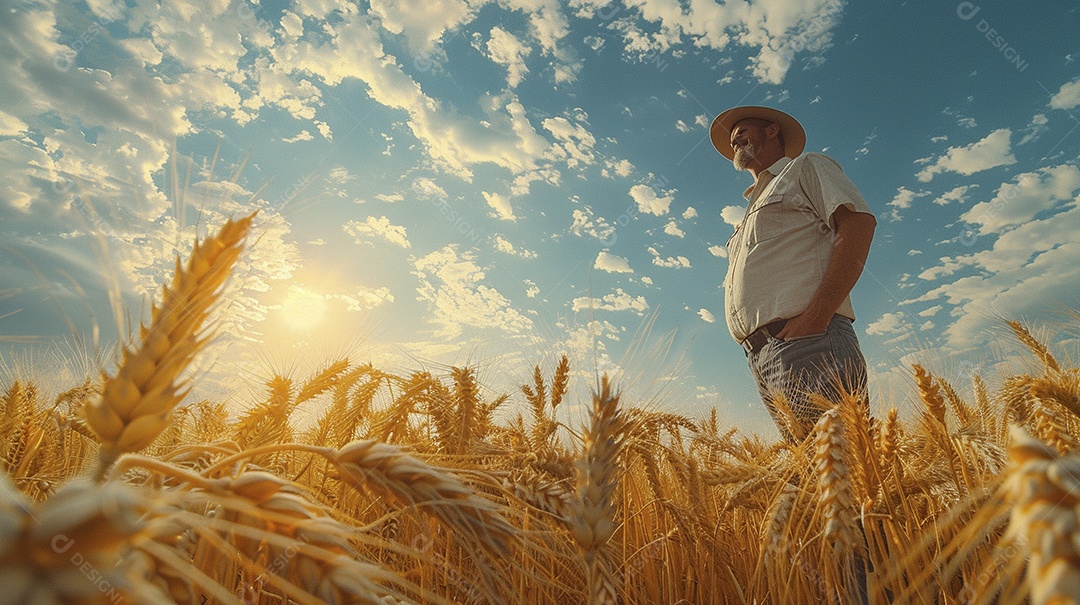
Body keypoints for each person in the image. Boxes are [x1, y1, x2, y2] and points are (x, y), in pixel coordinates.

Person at [711, 106, 876, 442]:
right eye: (732, 140)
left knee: (845, 471)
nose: (735, 141)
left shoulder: (805, 167)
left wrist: (817, 315)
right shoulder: (748, 211)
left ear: (772, 131)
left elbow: (858, 223)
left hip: (809, 342)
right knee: (815, 479)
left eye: (742, 131)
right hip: (762, 357)